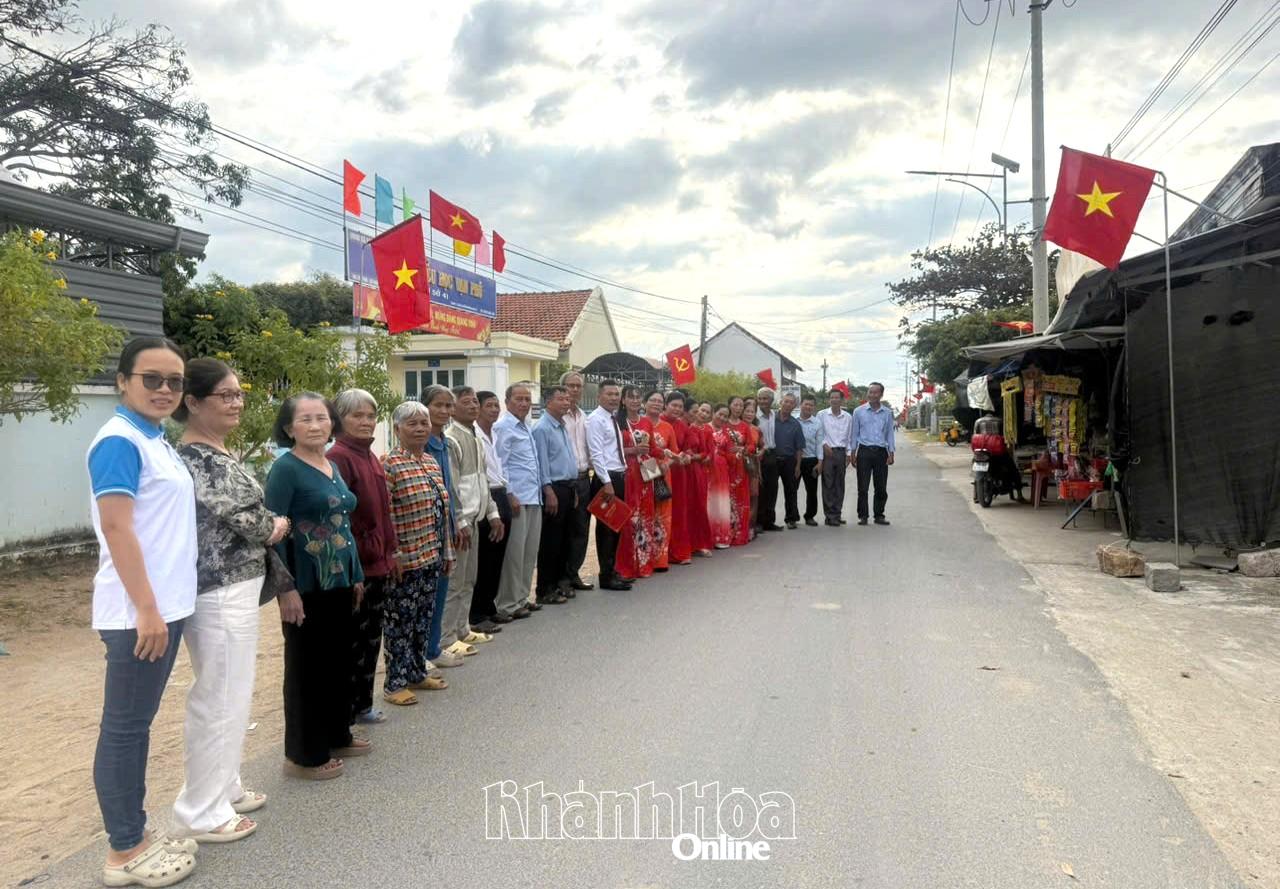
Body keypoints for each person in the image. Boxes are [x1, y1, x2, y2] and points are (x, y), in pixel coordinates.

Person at [87, 336, 200, 886]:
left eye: (174, 382)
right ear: (122, 381)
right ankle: (125, 850)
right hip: (139, 613)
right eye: (151, 378)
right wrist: (148, 609)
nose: (163, 389)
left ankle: (135, 836)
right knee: (127, 729)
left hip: (165, 607)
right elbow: (116, 527)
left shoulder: (155, 438)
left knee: (136, 725)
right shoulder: (118, 441)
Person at [171, 358, 287, 846]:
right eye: (225, 395)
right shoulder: (201, 459)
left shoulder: (217, 452)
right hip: (218, 589)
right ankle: (201, 810)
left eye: (239, 393)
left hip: (234, 585)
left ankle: (225, 786)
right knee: (218, 696)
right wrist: (277, 525)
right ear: (193, 402)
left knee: (233, 691)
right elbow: (253, 523)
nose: (236, 402)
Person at [264, 393, 371, 779]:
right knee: (306, 668)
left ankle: (337, 733)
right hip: (304, 586)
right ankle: (305, 755)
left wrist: (355, 573)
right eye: (305, 419)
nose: (315, 425)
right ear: (289, 428)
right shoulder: (285, 470)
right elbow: (271, 535)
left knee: (338, 662)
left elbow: (342, 522)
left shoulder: (329, 464)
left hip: (339, 580)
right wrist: (284, 589)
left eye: (321, 418)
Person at [328, 389, 398, 728]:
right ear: (339, 420)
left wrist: (391, 551)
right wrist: (357, 565)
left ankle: (363, 703)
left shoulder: (369, 455)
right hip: (358, 565)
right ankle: (350, 708)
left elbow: (384, 513)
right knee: (354, 641)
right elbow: (345, 519)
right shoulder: (339, 457)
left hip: (379, 561)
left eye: (370, 415)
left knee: (372, 637)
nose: (366, 421)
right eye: (358, 415)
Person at [381, 399, 454, 706]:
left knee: (423, 617)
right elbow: (386, 515)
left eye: (424, 423)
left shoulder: (431, 462)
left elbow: (442, 510)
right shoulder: (389, 464)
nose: (421, 428)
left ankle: (416, 671)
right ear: (397, 429)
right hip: (406, 559)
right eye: (412, 423)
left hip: (431, 555)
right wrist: (393, 554)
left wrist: (446, 551)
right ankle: (394, 682)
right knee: (400, 621)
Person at [441, 387, 504, 654]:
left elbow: (483, 479)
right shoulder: (452, 438)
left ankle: (463, 629)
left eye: (475, 401)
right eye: (465, 402)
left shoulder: (475, 437)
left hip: (476, 518)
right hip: (462, 523)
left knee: (469, 579)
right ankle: (446, 638)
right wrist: (460, 522)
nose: (473, 406)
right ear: (453, 409)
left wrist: (493, 513)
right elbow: (453, 486)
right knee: (454, 583)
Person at [421, 387, 464, 667]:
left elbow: (451, 487)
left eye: (449, 406)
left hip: (446, 522)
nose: (445, 411)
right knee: (424, 593)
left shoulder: (446, 442)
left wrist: (457, 520)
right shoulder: (421, 442)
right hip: (425, 526)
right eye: (439, 405)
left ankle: (434, 648)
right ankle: (421, 652)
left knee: (441, 587)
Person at [494, 383, 544, 617]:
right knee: (514, 554)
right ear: (508, 402)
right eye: (519, 399)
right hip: (517, 498)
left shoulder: (526, 426)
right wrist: (510, 494)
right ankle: (508, 603)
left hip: (533, 496)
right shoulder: (504, 427)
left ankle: (522, 598)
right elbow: (500, 464)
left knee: (528, 552)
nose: (524, 404)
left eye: (527, 399)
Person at [531, 385, 578, 605]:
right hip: (554, 489)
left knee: (565, 540)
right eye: (561, 398)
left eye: (567, 398)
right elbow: (541, 463)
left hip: (568, 487)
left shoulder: (562, 425)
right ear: (548, 401)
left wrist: (574, 488)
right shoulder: (542, 428)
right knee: (550, 542)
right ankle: (545, 588)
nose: (566, 402)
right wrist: (548, 490)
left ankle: (560, 582)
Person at [587, 380, 632, 589]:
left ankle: (612, 570)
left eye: (616, 394)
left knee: (617, 527)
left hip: (618, 476)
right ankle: (605, 576)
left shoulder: (614, 418)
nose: (614, 398)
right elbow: (596, 454)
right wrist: (606, 482)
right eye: (609, 394)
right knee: (606, 529)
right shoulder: (596, 419)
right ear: (599, 396)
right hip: (607, 479)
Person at [471, 391, 510, 629]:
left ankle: (489, 607)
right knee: (484, 558)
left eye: (496, 405)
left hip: (501, 492)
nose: (494, 409)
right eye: (489, 405)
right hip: (486, 496)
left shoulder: (495, 433)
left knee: (497, 556)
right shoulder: (473, 434)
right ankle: (477, 614)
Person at [616, 385, 659, 579]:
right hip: (626, 474)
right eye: (630, 397)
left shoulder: (646, 423)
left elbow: (653, 449)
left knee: (646, 516)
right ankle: (626, 566)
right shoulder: (617, 421)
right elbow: (610, 450)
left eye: (637, 397)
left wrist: (669, 456)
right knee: (629, 519)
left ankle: (643, 563)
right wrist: (633, 451)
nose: (634, 400)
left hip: (646, 474)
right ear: (623, 400)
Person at [559, 371, 594, 592]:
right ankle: (560, 578)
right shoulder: (556, 417)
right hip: (564, 482)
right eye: (570, 386)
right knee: (563, 530)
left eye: (578, 386)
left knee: (582, 529)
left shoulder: (584, 417)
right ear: (562, 388)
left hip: (584, 479)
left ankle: (574, 574)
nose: (574, 389)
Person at [637, 391, 676, 571]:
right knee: (644, 515)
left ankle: (660, 560)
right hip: (641, 474)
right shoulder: (639, 424)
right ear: (644, 402)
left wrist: (665, 464)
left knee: (662, 516)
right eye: (652, 400)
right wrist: (653, 467)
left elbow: (673, 452)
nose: (656, 403)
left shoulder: (668, 427)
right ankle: (643, 560)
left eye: (660, 401)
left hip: (662, 476)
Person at [852, 381, 897, 526]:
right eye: (870, 392)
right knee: (863, 487)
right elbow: (854, 434)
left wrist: (891, 452)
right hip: (864, 452)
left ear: (881, 395)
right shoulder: (858, 412)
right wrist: (853, 453)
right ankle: (863, 515)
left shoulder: (887, 413)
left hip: (881, 453)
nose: (871, 395)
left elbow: (890, 434)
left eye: (875, 392)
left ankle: (879, 515)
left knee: (881, 487)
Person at [663, 392, 693, 566]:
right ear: (666, 404)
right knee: (663, 512)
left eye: (680, 406)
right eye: (673, 405)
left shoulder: (682, 425)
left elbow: (689, 446)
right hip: (662, 471)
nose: (677, 409)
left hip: (679, 472)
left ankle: (679, 551)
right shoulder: (658, 422)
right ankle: (662, 553)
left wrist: (687, 455)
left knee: (679, 511)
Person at [817, 389, 854, 526]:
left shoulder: (848, 417)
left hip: (841, 452)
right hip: (827, 452)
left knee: (839, 485)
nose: (834, 400)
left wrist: (849, 454)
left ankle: (837, 514)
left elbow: (849, 437)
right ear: (829, 400)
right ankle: (830, 515)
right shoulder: (821, 415)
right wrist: (823, 444)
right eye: (832, 397)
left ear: (841, 400)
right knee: (828, 484)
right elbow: (818, 433)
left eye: (837, 397)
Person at [773, 394, 807, 530]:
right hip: (772, 459)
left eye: (791, 403)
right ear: (780, 402)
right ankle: (767, 520)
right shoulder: (771, 419)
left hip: (789, 461)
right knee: (770, 492)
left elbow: (799, 447)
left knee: (791, 490)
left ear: (794, 406)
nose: (788, 404)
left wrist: (798, 466)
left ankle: (791, 518)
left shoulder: (795, 424)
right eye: (786, 401)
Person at [685, 402, 715, 555]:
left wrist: (697, 456)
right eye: (702, 410)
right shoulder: (688, 428)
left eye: (707, 412)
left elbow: (709, 453)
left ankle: (701, 542)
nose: (703, 414)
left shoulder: (708, 430)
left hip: (700, 471)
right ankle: (688, 544)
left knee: (700, 506)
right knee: (688, 506)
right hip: (686, 470)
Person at [707, 404, 736, 549]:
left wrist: (733, 453)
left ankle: (721, 536)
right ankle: (709, 536)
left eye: (725, 416)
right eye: (720, 414)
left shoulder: (727, 433)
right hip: (707, 469)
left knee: (721, 501)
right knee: (709, 501)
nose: (722, 418)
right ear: (713, 413)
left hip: (722, 469)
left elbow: (730, 453)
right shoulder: (705, 428)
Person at [754, 387, 783, 532]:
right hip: (760, 455)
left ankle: (769, 521)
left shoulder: (774, 414)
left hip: (773, 454)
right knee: (760, 488)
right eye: (760, 399)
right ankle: (759, 522)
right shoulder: (754, 417)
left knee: (773, 488)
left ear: (772, 400)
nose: (762, 401)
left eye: (765, 398)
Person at [726, 396, 752, 547]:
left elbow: (750, 445)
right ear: (730, 406)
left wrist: (742, 449)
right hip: (727, 467)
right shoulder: (723, 424)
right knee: (727, 499)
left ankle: (740, 533)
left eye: (741, 406)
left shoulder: (744, 426)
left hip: (741, 467)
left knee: (741, 500)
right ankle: (727, 532)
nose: (738, 408)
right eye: (736, 405)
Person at [796, 397, 822, 526]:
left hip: (811, 460)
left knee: (812, 491)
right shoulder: (793, 420)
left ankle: (810, 516)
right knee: (791, 489)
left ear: (814, 408)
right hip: (795, 461)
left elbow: (819, 444)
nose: (808, 407)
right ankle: (792, 517)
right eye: (806, 404)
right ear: (801, 405)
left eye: (811, 405)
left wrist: (820, 462)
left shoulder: (817, 423)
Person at [741, 399, 762, 538]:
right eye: (747, 411)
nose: (749, 414)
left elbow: (762, 446)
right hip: (738, 465)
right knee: (741, 496)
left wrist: (762, 451)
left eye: (752, 411)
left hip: (752, 465)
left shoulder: (757, 430)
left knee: (753, 496)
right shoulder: (735, 427)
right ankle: (739, 526)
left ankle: (750, 527)